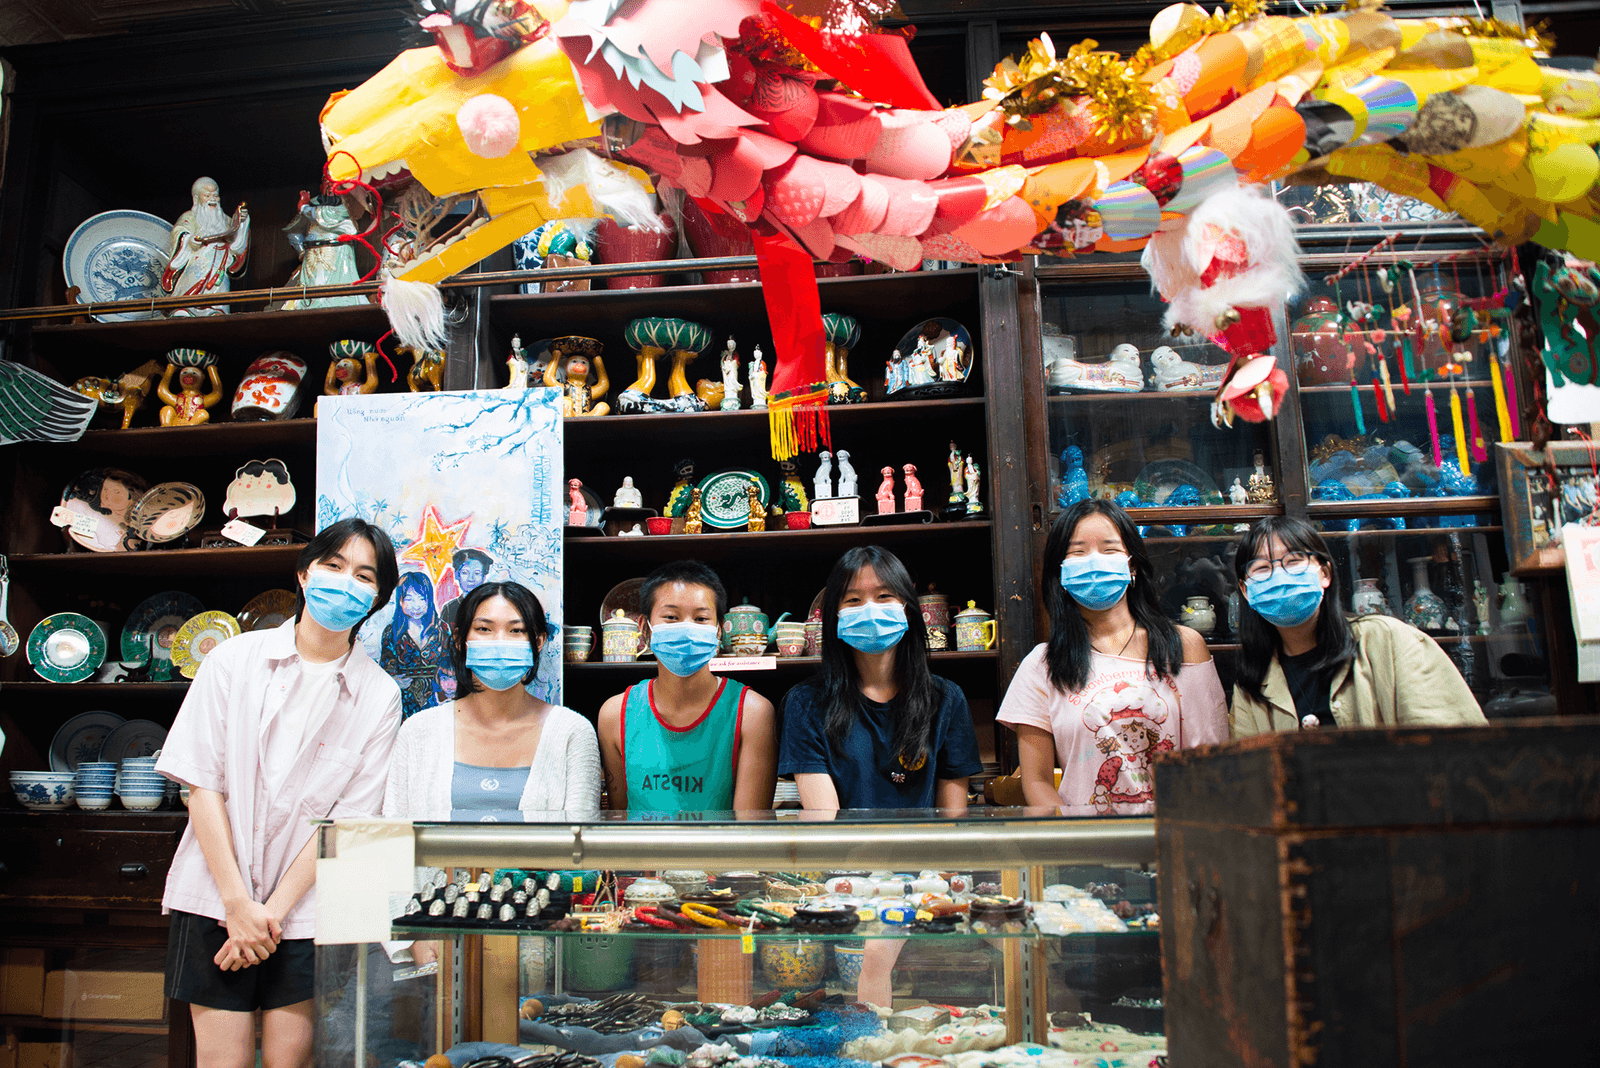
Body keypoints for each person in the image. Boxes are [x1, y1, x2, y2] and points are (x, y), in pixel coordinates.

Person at [155, 517, 401, 1068]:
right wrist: (239, 903)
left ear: (378, 598)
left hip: (307, 911)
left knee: (289, 1062)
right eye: (334, 566)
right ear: (304, 572)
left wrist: (270, 913)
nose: (345, 582)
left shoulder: (378, 695)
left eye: (364, 575)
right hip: (214, 897)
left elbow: (345, 825)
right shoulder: (231, 660)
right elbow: (201, 785)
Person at [778, 545, 985, 1008]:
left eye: (885, 596)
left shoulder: (944, 699)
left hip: (926, 877)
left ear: (910, 609)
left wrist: (925, 888)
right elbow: (823, 817)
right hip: (845, 879)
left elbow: (953, 819)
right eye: (852, 601)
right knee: (868, 962)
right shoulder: (805, 703)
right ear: (831, 616)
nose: (869, 610)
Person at [997, 500, 1228, 814]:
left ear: (1132, 566)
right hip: (1086, 851)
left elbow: (1211, 759)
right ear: (1060, 571)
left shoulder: (1185, 645)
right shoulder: (1041, 665)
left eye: (1109, 549)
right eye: (1078, 552)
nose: (1094, 561)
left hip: (1175, 842)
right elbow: (1036, 782)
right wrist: (1076, 842)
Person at [1229, 516, 1487, 734]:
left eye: (1294, 561)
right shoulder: (1251, 685)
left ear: (1325, 573)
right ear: (1245, 590)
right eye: (1262, 568)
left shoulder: (1389, 640)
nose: (1280, 576)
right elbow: (1250, 779)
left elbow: (1453, 750)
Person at [597, 560, 776, 813]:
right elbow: (621, 820)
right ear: (644, 630)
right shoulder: (615, 715)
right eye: (671, 617)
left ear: (718, 631)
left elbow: (749, 834)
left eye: (701, 618)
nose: (688, 628)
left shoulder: (752, 712)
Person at [161, 176, 250, 316]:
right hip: (197, 261)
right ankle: (184, 308)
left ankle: (216, 310)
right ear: (196, 198)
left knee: (217, 293)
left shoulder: (226, 220)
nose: (212, 199)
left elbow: (236, 247)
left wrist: (242, 222)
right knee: (190, 286)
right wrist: (189, 240)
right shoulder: (190, 216)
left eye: (215, 195)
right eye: (207, 195)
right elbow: (179, 231)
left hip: (220, 263)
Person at [381, 571, 447, 720]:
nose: (416, 605)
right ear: (400, 601)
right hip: (402, 705)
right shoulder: (391, 633)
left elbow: (452, 667)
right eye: (409, 599)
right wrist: (395, 682)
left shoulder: (443, 630)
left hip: (438, 703)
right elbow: (384, 672)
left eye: (421, 598)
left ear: (429, 600)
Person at [437, 547, 493, 633]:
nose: (471, 579)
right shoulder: (449, 609)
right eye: (465, 573)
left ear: (484, 576)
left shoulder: (492, 605)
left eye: (477, 573)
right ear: (456, 575)